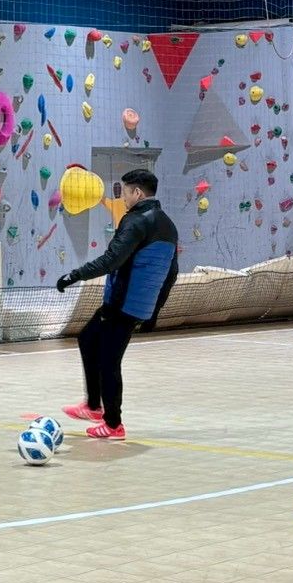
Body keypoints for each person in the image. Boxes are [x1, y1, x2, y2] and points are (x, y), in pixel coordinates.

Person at [56, 168, 178, 440]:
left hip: (121, 304)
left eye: (124, 191)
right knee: (88, 338)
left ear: (138, 193)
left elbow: (111, 260)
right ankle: (93, 406)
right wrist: (154, 310)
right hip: (137, 305)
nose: (122, 197)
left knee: (109, 361)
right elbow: (171, 273)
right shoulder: (168, 225)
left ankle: (113, 424)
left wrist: (74, 275)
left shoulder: (135, 221)